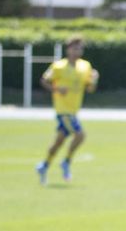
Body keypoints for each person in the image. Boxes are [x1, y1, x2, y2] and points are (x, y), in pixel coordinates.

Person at [36, 36, 98, 183]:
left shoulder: (85, 66)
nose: (78, 51)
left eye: (80, 48)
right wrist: (57, 88)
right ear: (68, 49)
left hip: (74, 109)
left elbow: (90, 88)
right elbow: (44, 81)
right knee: (80, 135)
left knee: (58, 143)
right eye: (75, 48)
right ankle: (66, 162)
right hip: (63, 110)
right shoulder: (58, 66)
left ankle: (43, 166)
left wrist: (95, 79)